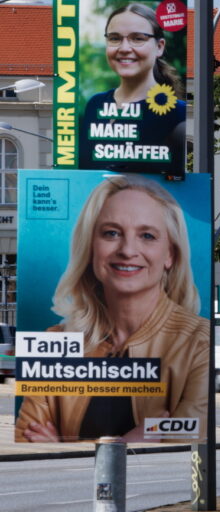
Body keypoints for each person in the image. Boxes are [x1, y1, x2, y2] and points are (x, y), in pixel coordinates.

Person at [16, 174, 208, 442]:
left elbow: (187, 439)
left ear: (170, 255)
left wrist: (62, 448)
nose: (128, 250)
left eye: (147, 235)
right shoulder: (54, 343)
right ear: (91, 247)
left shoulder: (200, 343)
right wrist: (127, 442)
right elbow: (28, 445)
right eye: (112, 233)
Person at [79, 3, 186, 175]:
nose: (124, 48)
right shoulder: (95, 104)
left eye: (137, 38)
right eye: (115, 38)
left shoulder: (177, 114)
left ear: (159, 47)